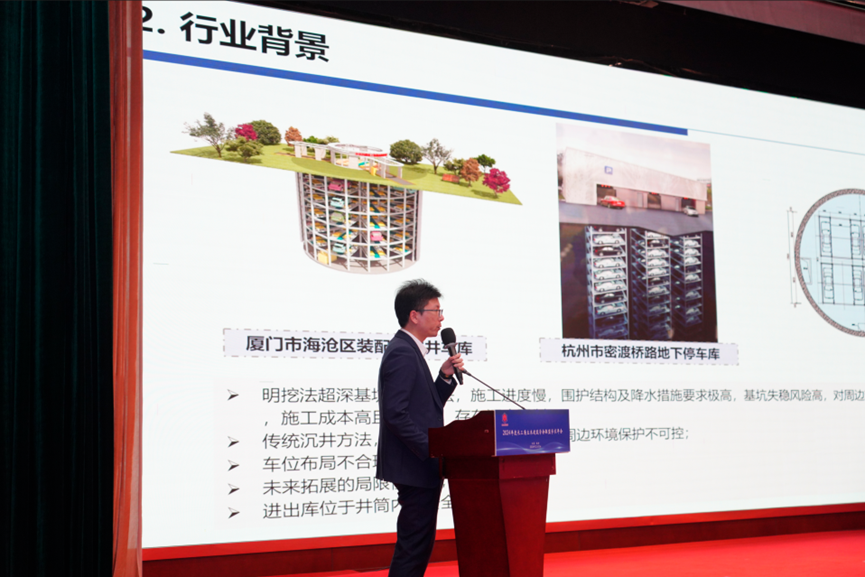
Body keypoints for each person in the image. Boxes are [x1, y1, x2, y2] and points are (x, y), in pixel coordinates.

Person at [376, 279, 464, 577]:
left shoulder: (411, 350)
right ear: (414, 315)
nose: (442, 318)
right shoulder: (402, 352)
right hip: (415, 464)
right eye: (436, 311)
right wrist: (431, 450)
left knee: (418, 544)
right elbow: (395, 414)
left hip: (419, 464)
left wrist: (444, 378)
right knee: (413, 548)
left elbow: (424, 408)